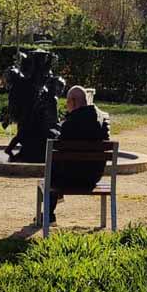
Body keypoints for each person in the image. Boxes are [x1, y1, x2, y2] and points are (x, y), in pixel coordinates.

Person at [46, 86, 110, 222]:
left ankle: (49, 214)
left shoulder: (69, 125)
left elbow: (58, 147)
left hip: (69, 179)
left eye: (67, 102)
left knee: (53, 167)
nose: (66, 106)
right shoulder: (103, 122)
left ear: (74, 102)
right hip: (93, 177)